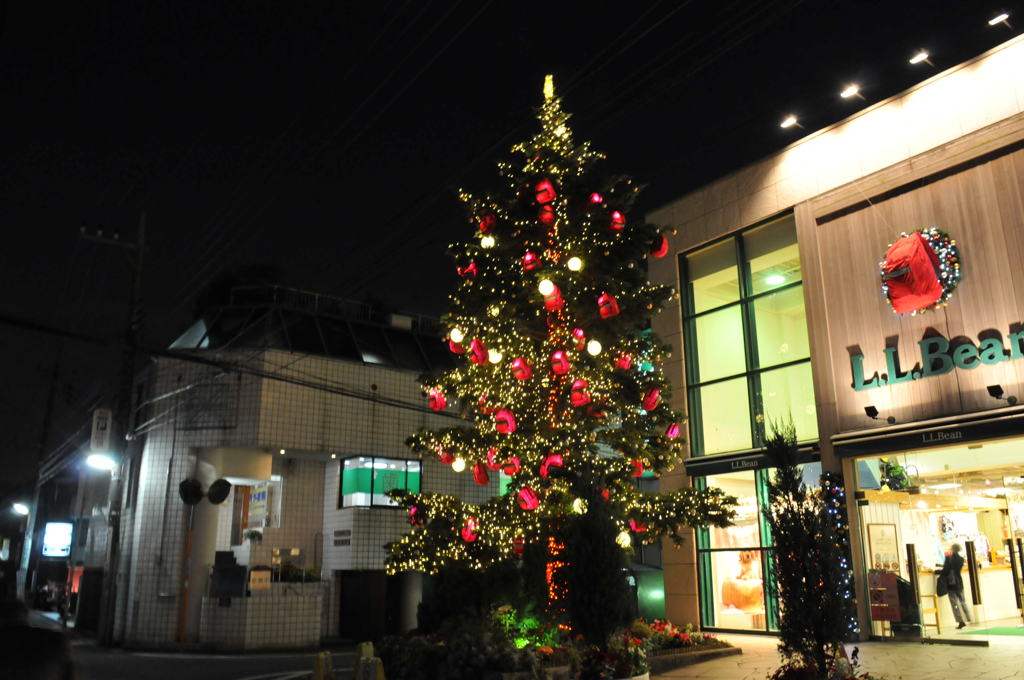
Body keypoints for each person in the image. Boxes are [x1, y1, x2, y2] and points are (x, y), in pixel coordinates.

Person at [938, 543, 971, 629]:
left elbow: (945, 571)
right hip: (959, 583)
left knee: (954, 603)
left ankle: (960, 621)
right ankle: (968, 617)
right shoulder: (961, 559)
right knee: (962, 601)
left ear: (952, 549)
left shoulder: (949, 559)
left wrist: (938, 572)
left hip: (951, 584)